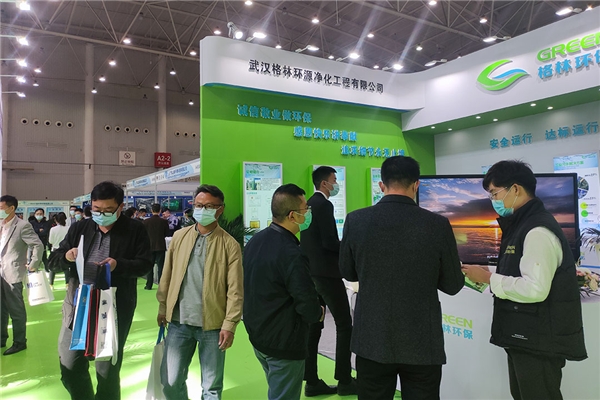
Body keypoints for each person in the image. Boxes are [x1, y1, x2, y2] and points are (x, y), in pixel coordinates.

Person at [339, 156, 464, 400]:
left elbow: (348, 272)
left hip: (372, 339)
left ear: (381, 185)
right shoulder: (438, 224)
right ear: (416, 185)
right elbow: (452, 284)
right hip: (422, 341)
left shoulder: (356, 220)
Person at [462, 160, 587, 400]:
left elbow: (535, 288)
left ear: (516, 189)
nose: (493, 200)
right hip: (527, 336)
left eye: (494, 193)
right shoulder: (522, 225)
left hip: (538, 340)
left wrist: (489, 278)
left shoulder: (537, 230)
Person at [49, 181, 153, 400]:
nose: (101, 214)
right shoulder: (80, 228)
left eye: (108, 210)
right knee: (69, 365)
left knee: (107, 372)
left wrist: (118, 265)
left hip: (112, 308)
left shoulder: (135, 229)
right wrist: (66, 257)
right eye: (97, 209)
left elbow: (145, 264)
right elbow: (53, 261)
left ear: (120, 207)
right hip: (78, 306)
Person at [157, 184, 243, 400]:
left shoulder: (229, 245)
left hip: (213, 326)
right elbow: (167, 275)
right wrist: (162, 307)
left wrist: (230, 324)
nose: (203, 210)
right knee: (170, 381)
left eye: (209, 206)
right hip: (179, 321)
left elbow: (235, 290)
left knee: (211, 388)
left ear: (220, 209)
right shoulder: (179, 237)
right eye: (199, 205)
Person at [244, 184, 324, 400]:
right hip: (284, 342)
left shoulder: (256, 240)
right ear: (292, 215)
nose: (308, 213)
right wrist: (318, 313)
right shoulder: (291, 253)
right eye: (305, 208)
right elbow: (305, 299)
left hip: (259, 334)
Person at [301, 166, 355, 396]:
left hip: (311, 273)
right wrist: (349, 247)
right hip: (327, 274)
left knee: (314, 324)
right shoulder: (324, 205)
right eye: (334, 180)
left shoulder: (308, 205)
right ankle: (345, 380)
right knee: (344, 323)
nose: (336, 184)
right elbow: (329, 242)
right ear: (324, 183)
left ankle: (311, 381)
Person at [0, 195, 44, 356]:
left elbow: (37, 245)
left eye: (1, 208)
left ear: (11, 208)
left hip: (13, 272)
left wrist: (33, 264)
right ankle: (1, 338)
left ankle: (19, 342)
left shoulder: (22, 226)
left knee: (16, 309)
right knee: (1, 309)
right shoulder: (1, 224)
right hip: (0, 273)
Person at [142, 203, 170, 290]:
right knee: (161, 266)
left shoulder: (145, 222)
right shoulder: (164, 222)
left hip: (149, 246)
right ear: (160, 211)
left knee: (149, 266)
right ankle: (161, 285)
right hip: (160, 246)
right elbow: (167, 233)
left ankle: (149, 285)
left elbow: (143, 234)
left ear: (151, 210)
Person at [48, 212, 70, 289]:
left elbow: (50, 241)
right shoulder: (68, 228)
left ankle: (51, 284)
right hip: (65, 249)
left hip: (55, 249)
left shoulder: (53, 229)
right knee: (66, 267)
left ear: (56, 220)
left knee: (52, 267)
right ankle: (67, 284)